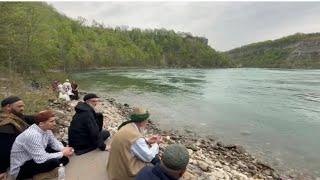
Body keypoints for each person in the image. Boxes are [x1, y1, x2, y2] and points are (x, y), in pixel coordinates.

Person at [10, 110, 74, 179]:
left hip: (33, 157)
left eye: (54, 121)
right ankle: (37, 176)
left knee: (64, 158)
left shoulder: (46, 129)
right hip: (21, 167)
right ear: (41, 124)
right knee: (54, 161)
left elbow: (54, 143)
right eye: (51, 121)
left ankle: (46, 172)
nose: (55, 123)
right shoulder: (33, 135)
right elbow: (41, 159)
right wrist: (62, 153)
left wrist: (64, 149)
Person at [107, 107, 162, 180]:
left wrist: (147, 141)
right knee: (154, 162)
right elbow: (148, 157)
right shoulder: (135, 137)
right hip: (122, 173)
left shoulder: (127, 126)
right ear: (142, 122)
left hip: (114, 168)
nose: (147, 122)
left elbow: (132, 144)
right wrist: (156, 144)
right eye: (147, 120)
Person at [0, 96, 34, 178]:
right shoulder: (5, 125)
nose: (22, 108)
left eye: (23, 106)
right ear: (8, 107)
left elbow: (27, 118)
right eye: (19, 106)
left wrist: (44, 116)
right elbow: (4, 149)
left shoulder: (14, 117)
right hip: (14, 160)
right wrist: (2, 170)